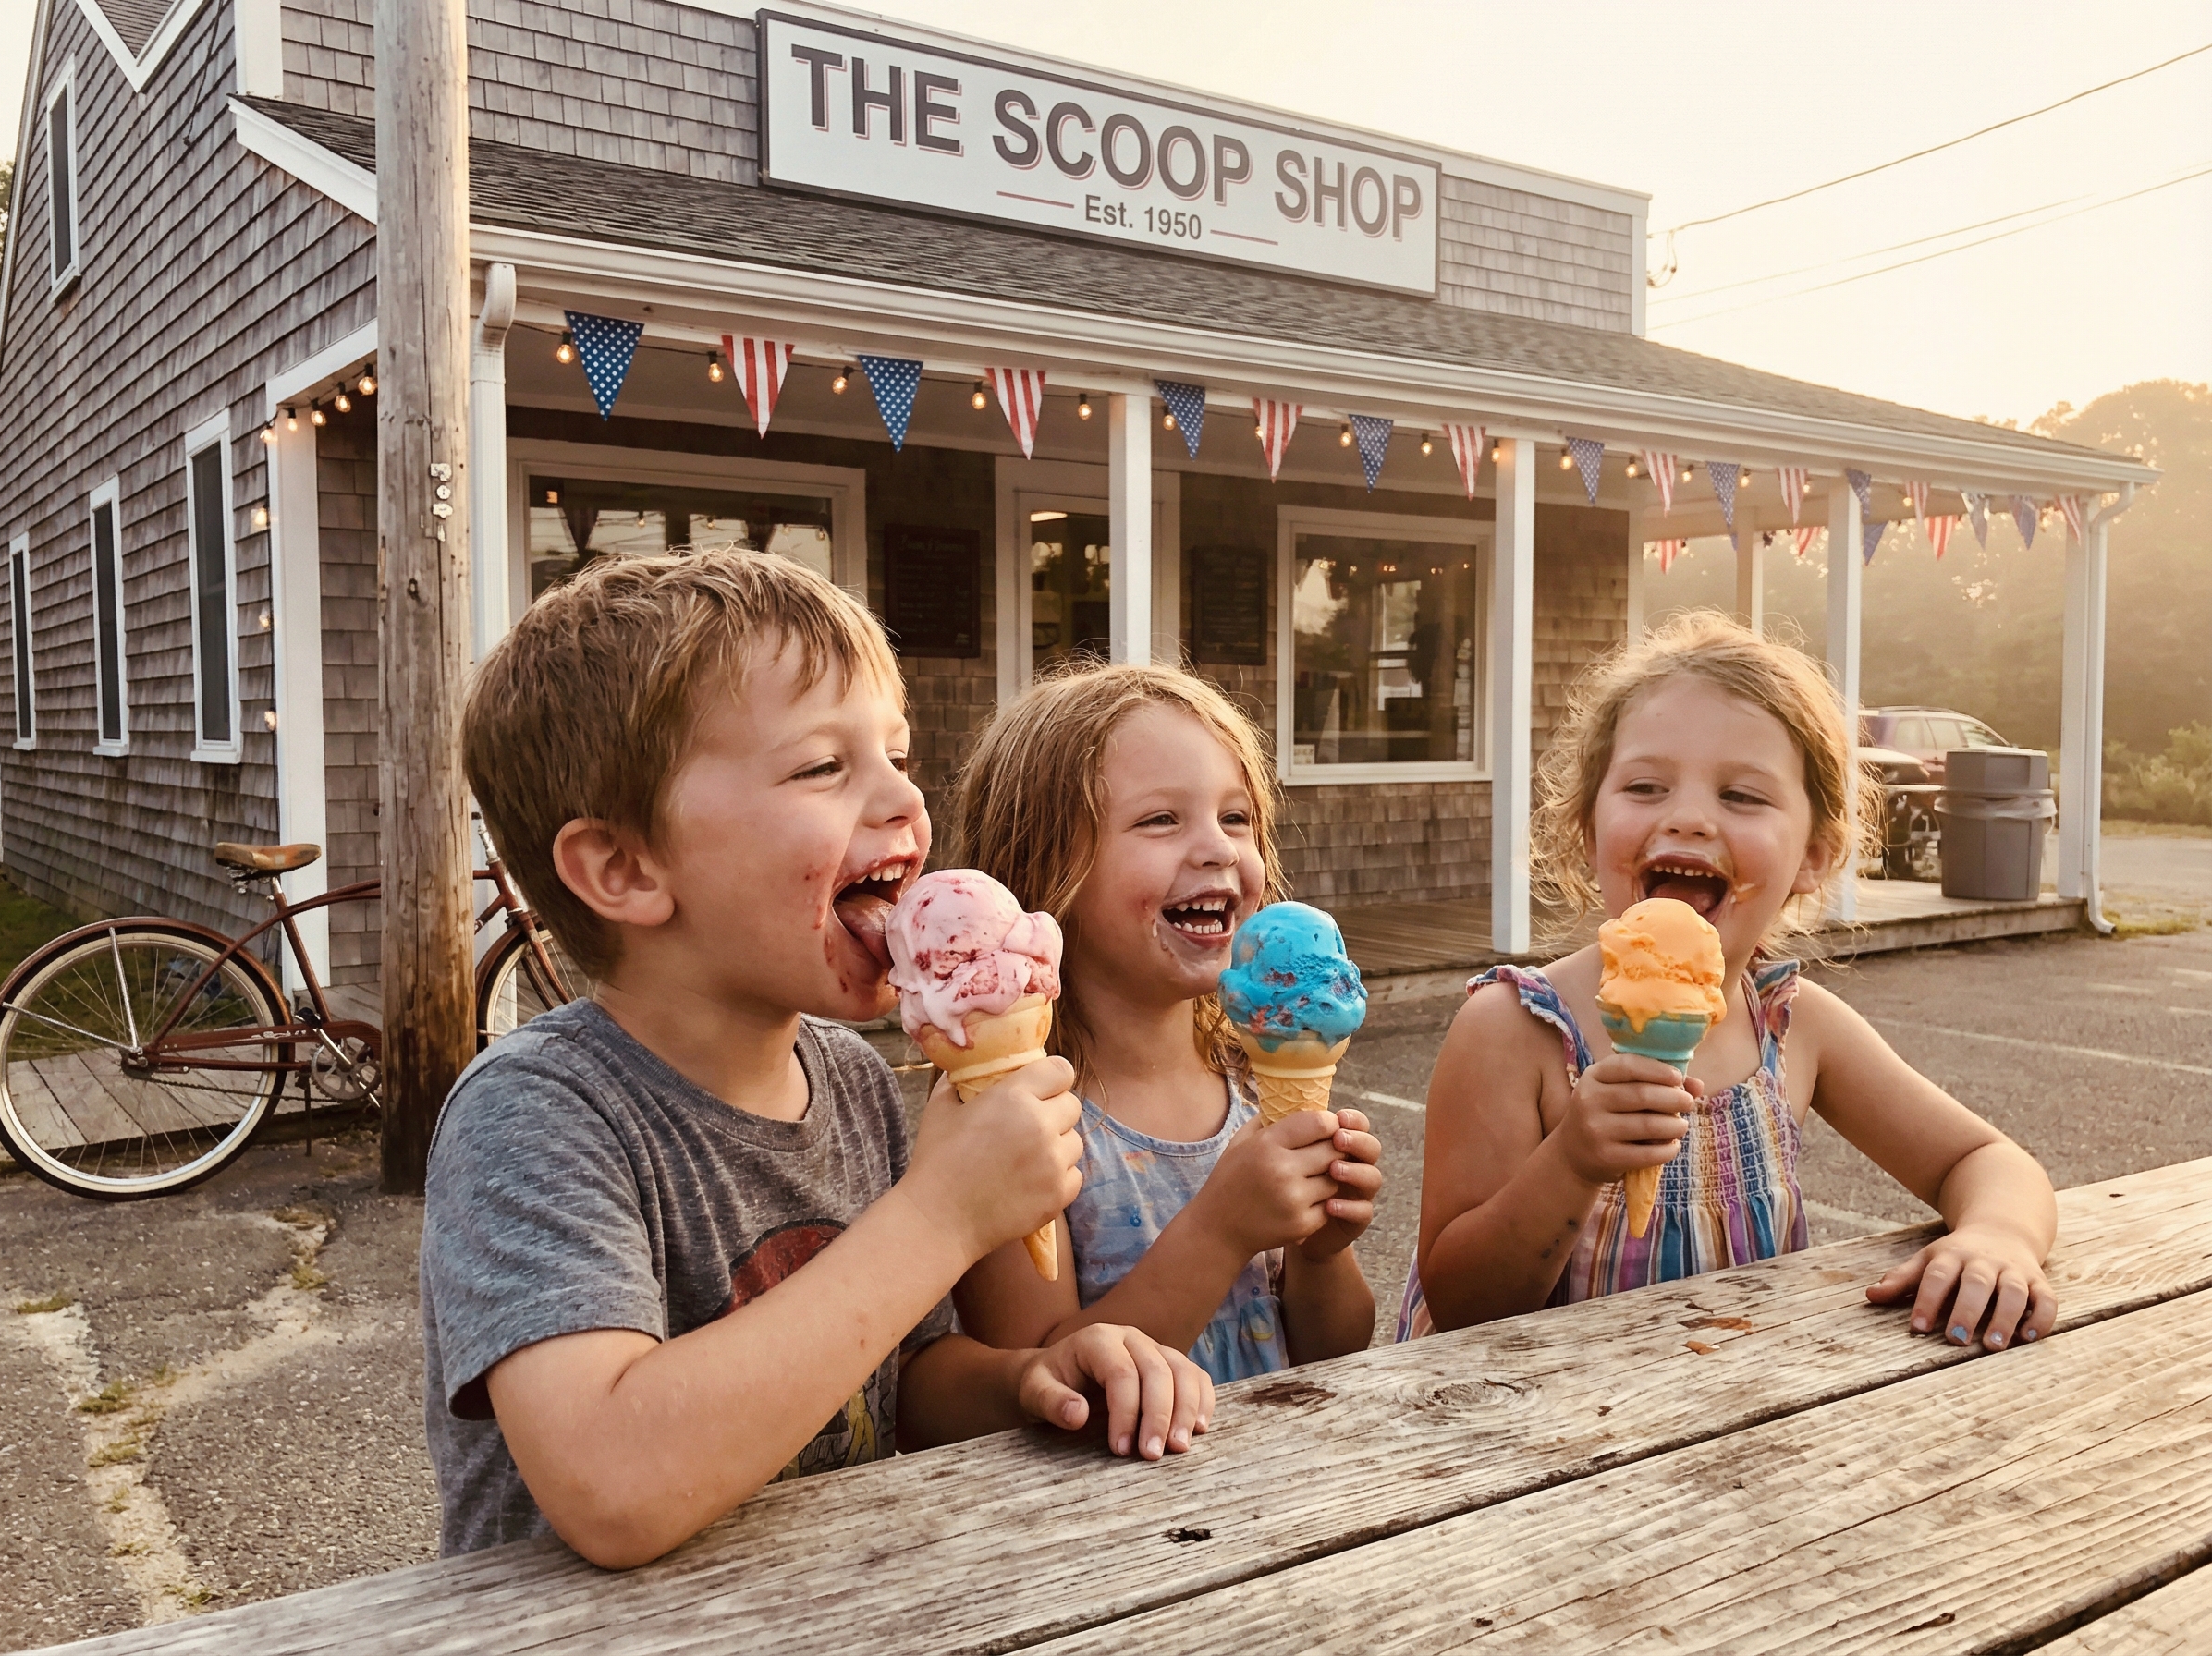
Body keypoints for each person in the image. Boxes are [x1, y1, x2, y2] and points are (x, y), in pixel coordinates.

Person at [422, 551, 1212, 1568]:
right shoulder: (537, 1113)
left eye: (898, 753)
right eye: (823, 766)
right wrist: (940, 1215)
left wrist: (1033, 1378)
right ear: (624, 868)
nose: (904, 805)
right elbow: (612, 1485)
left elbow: (905, 1383)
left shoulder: (850, 1081)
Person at [1402, 611, 2059, 1350]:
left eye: (1742, 796)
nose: (1686, 817)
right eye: (1645, 786)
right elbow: (1460, 1305)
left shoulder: (1797, 1027)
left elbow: (1986, 1160)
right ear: (1587, 828)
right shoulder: (1511, 1029)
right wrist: (1572, 1163)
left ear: (1814, 854)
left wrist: (1999, 1235)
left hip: (1724, 1423)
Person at [948, 664, 1383, 1383]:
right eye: (1160, 820)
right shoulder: (1011, 1122)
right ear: (1044, 865)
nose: (1217, 847)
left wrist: (1321, 1252)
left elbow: (1330, 1355)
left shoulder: (1252, 1079)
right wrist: (1219, 1231)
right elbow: (1043, 1388)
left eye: (1236, 817)